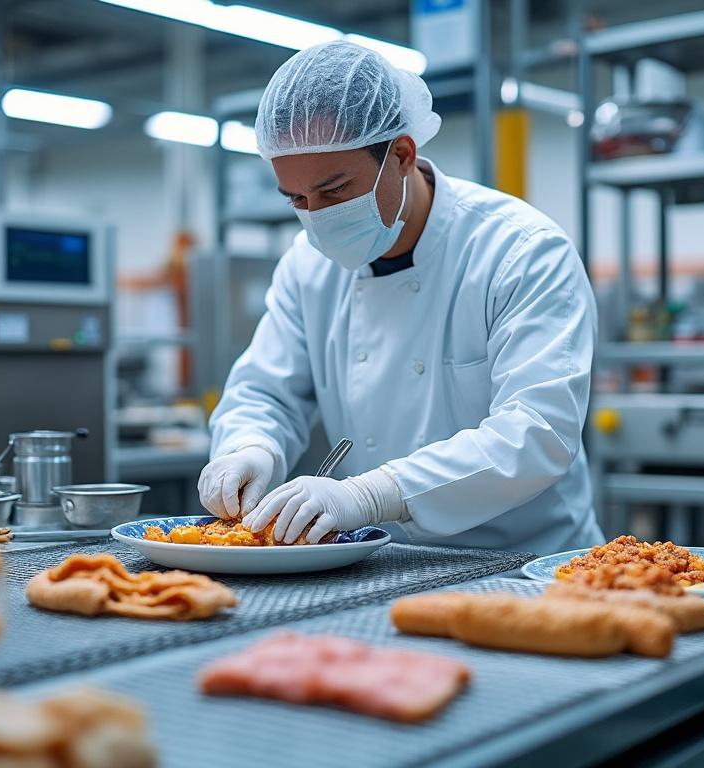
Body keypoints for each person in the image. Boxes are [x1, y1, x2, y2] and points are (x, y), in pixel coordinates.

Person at [198, 40, 601, 554]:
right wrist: (247, 448)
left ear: (403, 156)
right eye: (297, 199)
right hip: (385, 561)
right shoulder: (307, 265)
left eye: (335, 190)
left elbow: (537, 433)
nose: (316, 215)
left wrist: (373, 493)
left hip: (526, 563)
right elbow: (265, 392)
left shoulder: (519, 251)